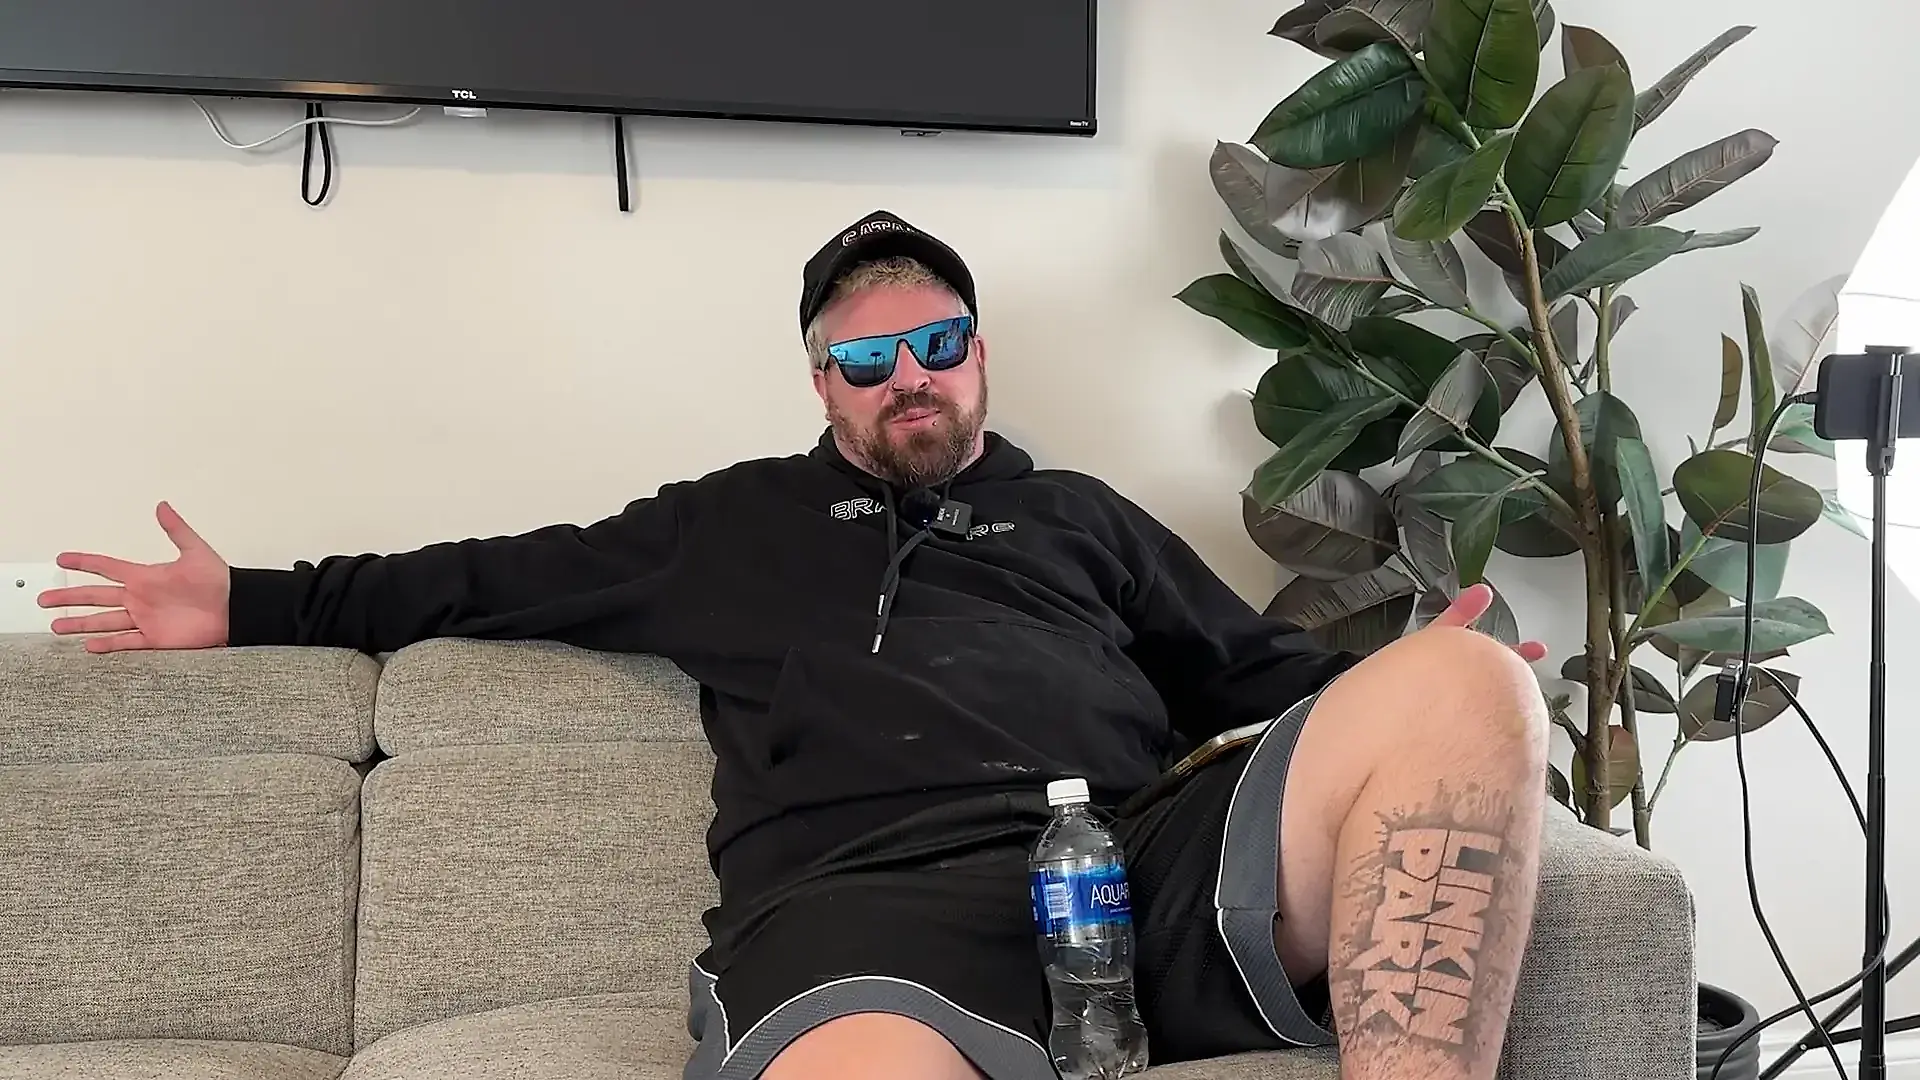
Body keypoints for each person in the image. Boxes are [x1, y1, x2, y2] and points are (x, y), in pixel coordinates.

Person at [40, 210, 1551, 1080]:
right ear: (822, 384)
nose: (910, 379)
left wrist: (1422, 680)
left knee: (1463, 684)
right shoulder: (726, 525)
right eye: (866, 360)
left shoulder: (1084, 516)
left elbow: (1256, 672)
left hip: (1122, 865)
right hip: (863, 908)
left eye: (936, 344)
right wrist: (249, 602)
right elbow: (487, 580)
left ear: (978, 356)